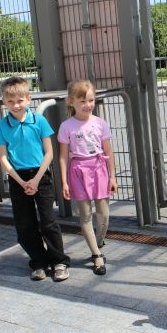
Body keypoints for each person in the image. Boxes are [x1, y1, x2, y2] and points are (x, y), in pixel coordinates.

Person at [0, 76, 71, 281]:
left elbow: (49, 153)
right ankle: (38, 261)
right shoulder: (2, 126)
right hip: (17, 178)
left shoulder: (39, 121)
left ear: (28, 99)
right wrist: (21, 182)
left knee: (48, 221)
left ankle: (59, 261)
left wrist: (35, 180)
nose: (15, 105)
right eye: (10, 101)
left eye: (20, 100)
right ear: (4, 101)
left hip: (40, 175)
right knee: (24, 224)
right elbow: (3, 157)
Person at [58, 80, 117, 276]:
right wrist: (64, 181)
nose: (88, 105)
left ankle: (98, 242)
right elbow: (63, 156)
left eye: (91, 100)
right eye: (82, 101)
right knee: (85, 215)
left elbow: (108, 151)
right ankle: (96, 255)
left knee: (104, 214)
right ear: (71, 102)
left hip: (99, 169)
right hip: (78, 171)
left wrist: (112, 177)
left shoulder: (100, 123)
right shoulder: (66, 126)